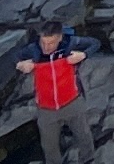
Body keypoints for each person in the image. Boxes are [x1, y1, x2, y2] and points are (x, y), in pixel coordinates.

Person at [19, 27, 83, 162]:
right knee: (49, 145)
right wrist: (20, 64)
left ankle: (89, 159)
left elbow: (94, 43)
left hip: (71, 101)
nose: (46, 47)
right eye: (43, 43)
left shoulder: (68, 47)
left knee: (83, 135)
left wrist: (83, 55)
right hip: (45, 108)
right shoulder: (34, 50)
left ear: (59, 39)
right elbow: (14, 56)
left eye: (50, 43)